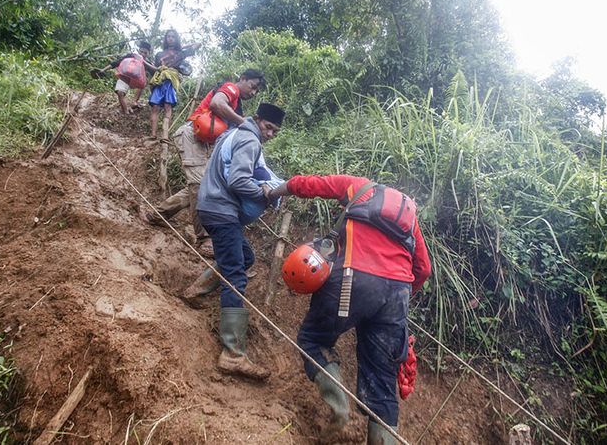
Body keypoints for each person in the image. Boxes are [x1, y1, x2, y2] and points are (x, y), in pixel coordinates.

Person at [267, 175, 432, 444]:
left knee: (313, 340)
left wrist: (273, 193)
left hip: (353, 278)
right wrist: (396, 299)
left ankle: (339, 408)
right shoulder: (409, 216)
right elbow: (423, 269)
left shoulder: (357, 186)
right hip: (397, 294)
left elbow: (307, 184)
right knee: (382, 380)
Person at [195, 103, 285, 380]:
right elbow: (238, 180)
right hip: (222, 210)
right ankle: (232, 354)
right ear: (257, 120)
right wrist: (266, 193)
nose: (270, 134)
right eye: (268, 127)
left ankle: (197, 290)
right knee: (236, 275)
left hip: (210, 206)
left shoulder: (232, 133)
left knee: (245, 258)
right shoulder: (249, 139)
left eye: (275, 131)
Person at [140, 69, 266, 258]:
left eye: (257, 90)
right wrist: (245, 123)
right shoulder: (231, 89)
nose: (253, 92)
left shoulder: (236, 104)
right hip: (193, 135)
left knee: (201, 185)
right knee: (198, 185)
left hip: (204, 143)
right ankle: (204, 238)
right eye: (252, 86)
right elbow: (216, 103)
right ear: (243, 79)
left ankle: (157, 215)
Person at [148, 29, 201, 140]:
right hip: (159, 81)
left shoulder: (180, 53)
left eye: (173, 37)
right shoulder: (159, 54)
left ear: (176, 39)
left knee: (168, 106)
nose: (170, 39)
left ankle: (164, 136)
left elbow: (198, 44)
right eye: (168, 36)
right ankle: (153, 135)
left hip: (171, 82)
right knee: (155, 107)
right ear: (165, 39)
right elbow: (155, 70)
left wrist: (182, 46)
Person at [91, 40, 156, 114]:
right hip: (125, 77)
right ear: (138, 50)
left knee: (145, 80)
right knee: (120, 92)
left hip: (138, 82)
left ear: (148, 54)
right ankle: (126, 111)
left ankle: (134, 101)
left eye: (145, 53)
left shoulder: (147, 63)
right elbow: (116, 63)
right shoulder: (130, 56)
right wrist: (103, 70)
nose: (143, 54)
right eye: (141, 52)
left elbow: (155, 73)